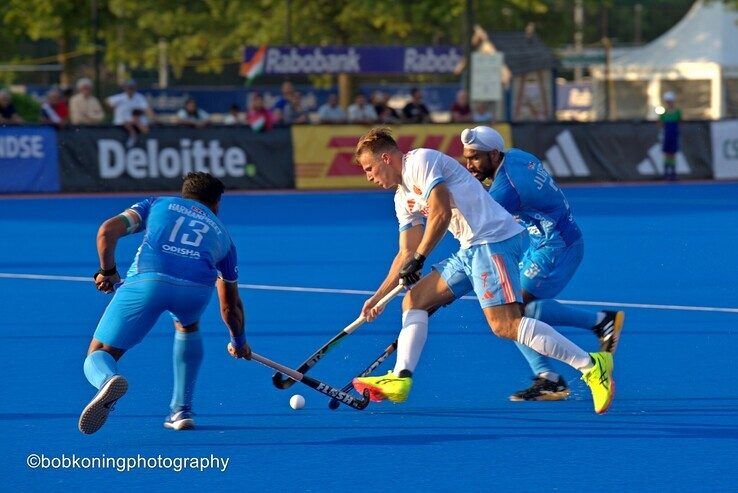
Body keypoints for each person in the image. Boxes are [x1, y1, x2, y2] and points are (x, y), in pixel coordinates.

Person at [350, 128, 615, 414]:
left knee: (505, 324)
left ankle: (592, 366)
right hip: (471, 247)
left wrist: (420, 259)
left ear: (386, 158)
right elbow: (405, 252)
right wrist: (378, 296)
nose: (369, 177)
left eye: (370, 168)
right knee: (414, 301)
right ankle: (400, 378)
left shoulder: (420, 162)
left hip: (493, 240)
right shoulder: (402, 198)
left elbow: (441, 213)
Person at [78, 172, 251, 435]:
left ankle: (107, 380)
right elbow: (230, 307)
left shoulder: (156, 204)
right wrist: (239, 342)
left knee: (99, 352)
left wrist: (108, 271)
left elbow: (106, 232)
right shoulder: (224, 236)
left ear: (184, 194)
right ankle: (181, 410)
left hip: (148, 283)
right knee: (188, 325)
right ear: (216, 204)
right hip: (194, 293)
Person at [461, 126, 625, 401]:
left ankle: (551, 376)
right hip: (548, 242)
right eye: (467, 158)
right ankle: (601, 322)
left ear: (492, 154)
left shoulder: (507, 189)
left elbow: (476, 224)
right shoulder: (514, 155)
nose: (469, 166)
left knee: (512, 312)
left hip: (556, 248)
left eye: (475, 158)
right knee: (526, 309)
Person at [106, 79, 155, 147]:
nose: (130, 89)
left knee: (142, 127)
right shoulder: (120, 97)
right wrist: (112, 108)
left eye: (132, 87)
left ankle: (134, 137)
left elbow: (148, 110)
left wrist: (154, 119)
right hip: (119, 127)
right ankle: (133, 136)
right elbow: (108, 101)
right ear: (125, 88)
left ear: (135, 88)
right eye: (129, 87)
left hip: (134, 126)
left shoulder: (139, 98)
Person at [659, 91, 681, 181]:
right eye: (667, 101)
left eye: (670, 101)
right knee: (667, 154)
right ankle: (666, 173)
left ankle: (673, 173)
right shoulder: (663, 113)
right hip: (666, 136)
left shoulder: (677, 112)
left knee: (673, 154)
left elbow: (679, 122)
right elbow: (661, 123)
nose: (669, 103)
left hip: (674, 135)